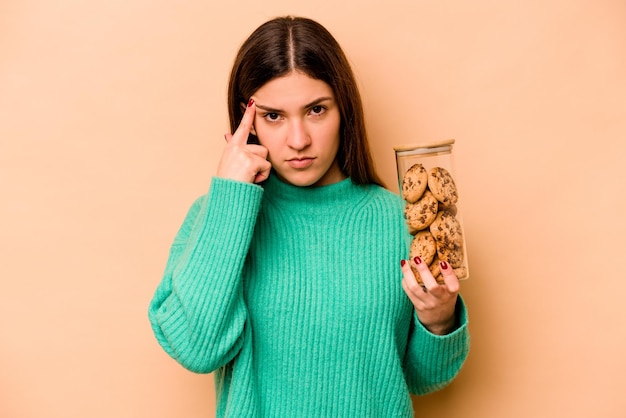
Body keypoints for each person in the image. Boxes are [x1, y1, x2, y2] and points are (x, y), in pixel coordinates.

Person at [148, 15, 469, 417]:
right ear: (247, 122)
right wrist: (230, 200)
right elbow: (196, 349)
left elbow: (421, 378)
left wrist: (439, 321)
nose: (298, 140)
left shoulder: (397, 219)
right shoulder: (217, 217)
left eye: (316, 110)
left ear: (344, 108)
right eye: (273, 116)